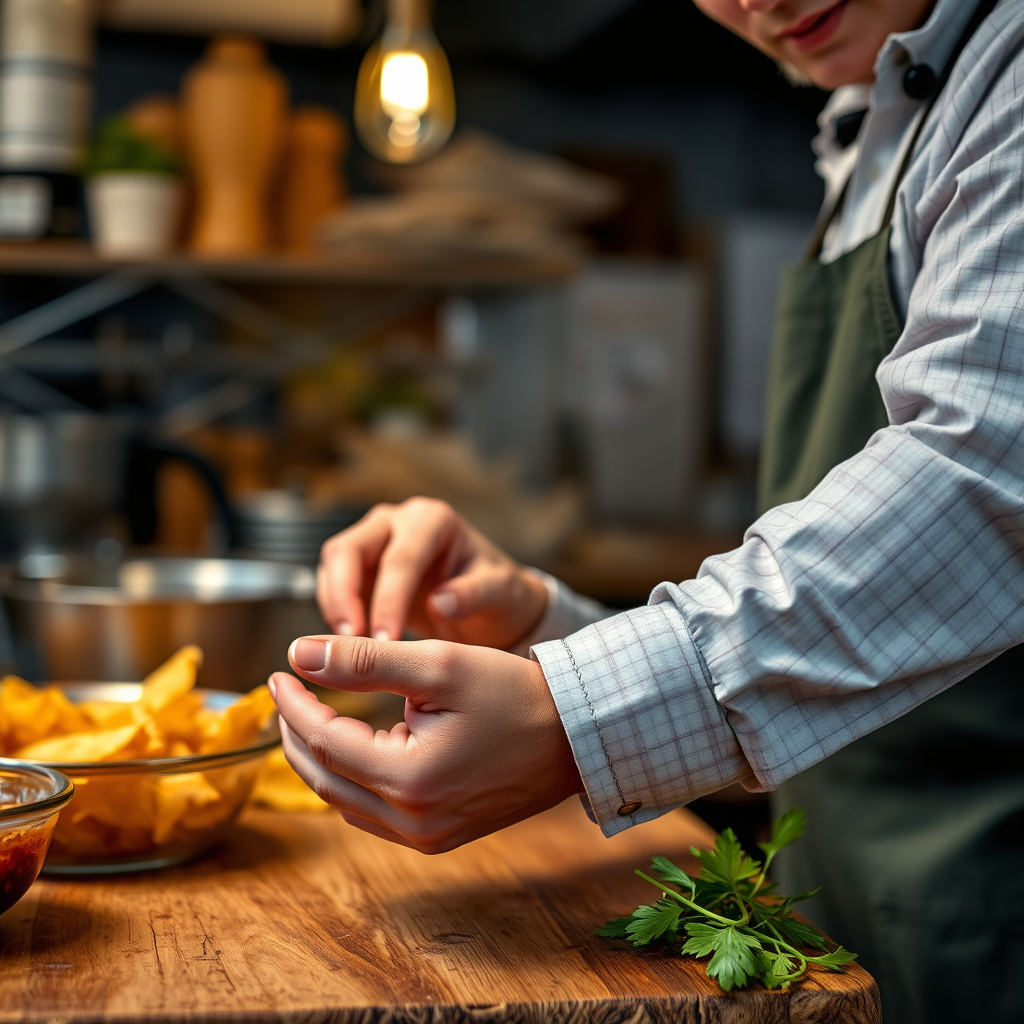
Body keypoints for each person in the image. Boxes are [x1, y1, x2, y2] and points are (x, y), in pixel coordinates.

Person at [268, 1, 1024, 1021]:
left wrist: (578, 718)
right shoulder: (864, 130)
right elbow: (833, 677)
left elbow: (983, 473)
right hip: (842, 931)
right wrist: (540, 631)